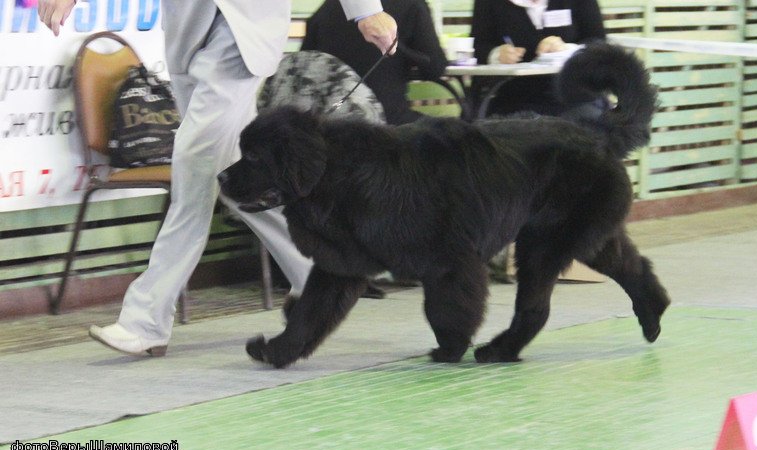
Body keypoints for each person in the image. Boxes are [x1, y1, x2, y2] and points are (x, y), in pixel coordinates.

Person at [38, 0, 397, 357]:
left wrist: (365, 10)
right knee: (234, 182)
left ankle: (144, 319)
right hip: (188, 35)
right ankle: (322, 274)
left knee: (192, 174)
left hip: (243, 32)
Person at [302, 0, 447, 125]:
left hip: (329, 125)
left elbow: (304, 64)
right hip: (389, 123)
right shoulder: (413, 5)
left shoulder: (327, 8)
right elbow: (435, 68)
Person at [470, 0, 606, 117]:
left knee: (587, 124)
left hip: (573, 95)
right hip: (513, 97)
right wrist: (496, 54)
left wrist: (567, 49)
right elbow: (478, 45)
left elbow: (598, 42)